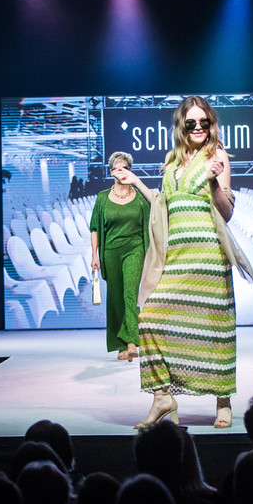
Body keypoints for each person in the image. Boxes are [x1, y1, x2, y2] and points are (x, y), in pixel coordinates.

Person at [119, 96, 253, 429]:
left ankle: (223, 400)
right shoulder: (171, 162)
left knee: (215, 327)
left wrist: (213, 181)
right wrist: (137, 183)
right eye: (191, 122)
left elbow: (227, 212)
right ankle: (162, 397)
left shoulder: (217, 156)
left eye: (203, 122)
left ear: (211, 124)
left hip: (208, 255)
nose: (197, 127)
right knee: (149, 318)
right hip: (176, 256)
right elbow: (162, 204)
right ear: (181, 125)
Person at [90, 151, 150, 362]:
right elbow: (95, 227)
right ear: (111, 172)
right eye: (115, 168)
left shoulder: (141, 198)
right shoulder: (102, 198)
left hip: (135, 249)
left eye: (124, 167)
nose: (120, 171)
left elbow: (149, 226)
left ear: (130, 170)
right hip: (111, 251)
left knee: (130, 294)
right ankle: (120, 344)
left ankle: (132, 341)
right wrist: (94, 255)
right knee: (115, 297)